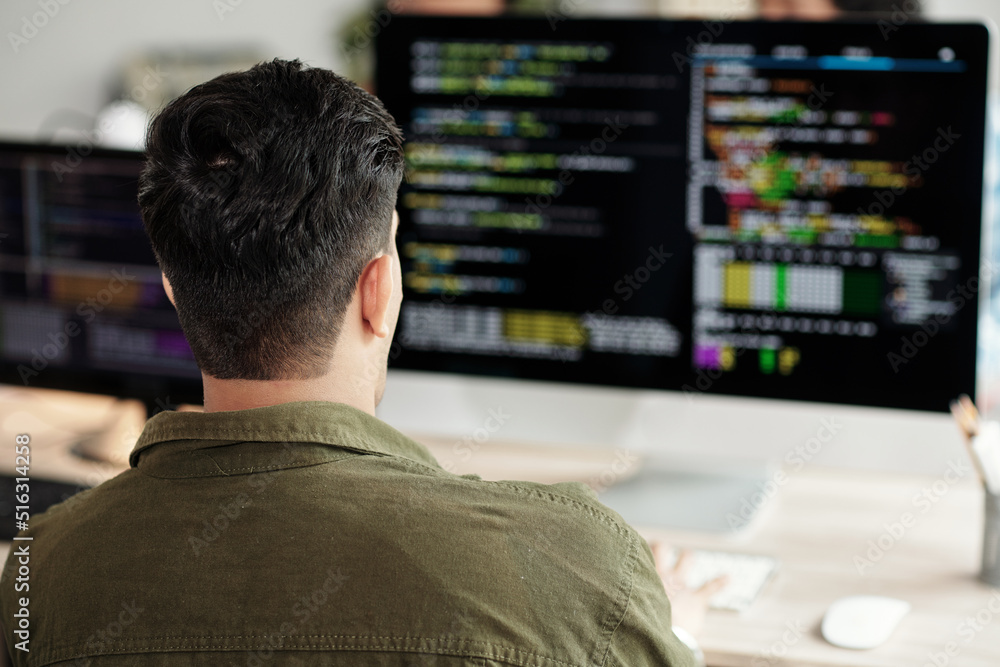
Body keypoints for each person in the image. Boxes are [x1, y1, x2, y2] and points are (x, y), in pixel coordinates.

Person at [0, 59, 722, 666]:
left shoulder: (41, 574)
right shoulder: (577, 565)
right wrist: (671, 632)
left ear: (172, 294)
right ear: (380, 290)